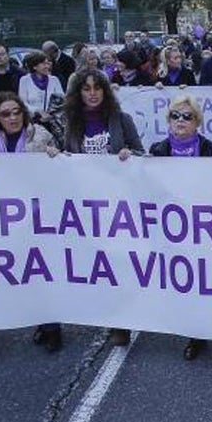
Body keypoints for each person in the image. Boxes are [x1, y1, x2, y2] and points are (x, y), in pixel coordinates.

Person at [0, 92, 61, 351]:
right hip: (7, 218)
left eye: (16, 111)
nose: (12, 118)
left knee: (44, 273)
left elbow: (62, 169)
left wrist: (56, 156)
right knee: (24, 273)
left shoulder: (40, 136)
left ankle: (53, 328)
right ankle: (39, 323)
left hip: (38, 216)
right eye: (5, 114)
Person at [61, 69, 143, 346]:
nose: (92, 93)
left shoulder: (121, 119)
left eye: (97, 88)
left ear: (105, 91)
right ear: (79, 93)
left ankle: (122, 322)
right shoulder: (72, 122)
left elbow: (141, 153)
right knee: (100, 264)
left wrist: (130, 155)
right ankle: (110, 315)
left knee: (120, 261)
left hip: (120, 204)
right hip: (87, 205)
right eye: (86, 88)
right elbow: (67, 157)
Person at [148, 95, 212, 360]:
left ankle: (200, 332)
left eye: (187, 116)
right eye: (175, 116)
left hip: (203, 227)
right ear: (168, 120)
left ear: (197, 122)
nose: (180, 121)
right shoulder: (157, 151)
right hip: (172, 228)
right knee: (181, 280)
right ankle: (190, 330)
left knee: (202, 280)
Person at [18, 51, 66, 121]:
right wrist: (38, 111)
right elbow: (23, 103)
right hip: (33, 121)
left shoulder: (54, 79)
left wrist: (51, 114)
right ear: (34, 66)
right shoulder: (24, 80)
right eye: (43, 64)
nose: (47, 66)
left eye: (47, 63)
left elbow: (61, 100)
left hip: (53, 120)